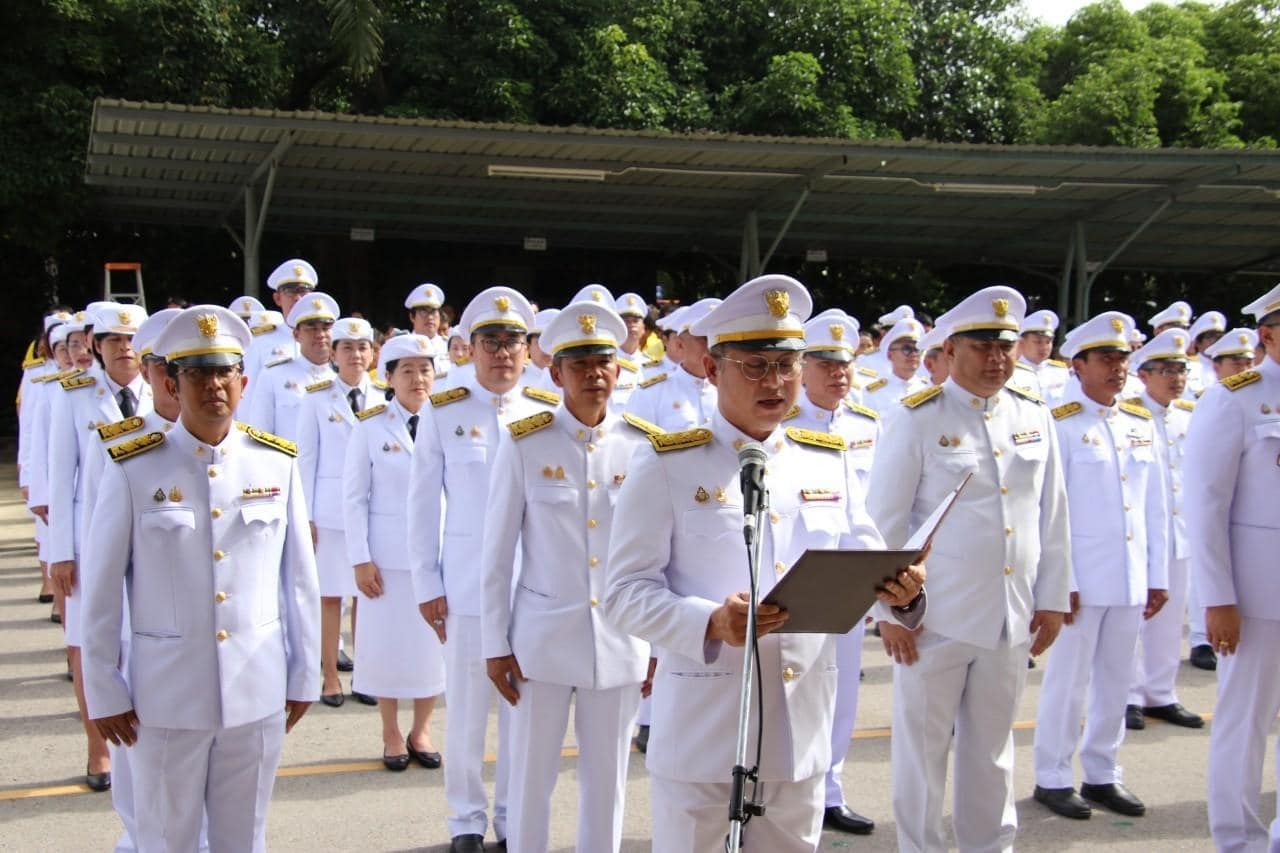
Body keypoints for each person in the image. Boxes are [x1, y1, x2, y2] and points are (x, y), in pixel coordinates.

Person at [603, 274, 925, 851]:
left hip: (800, 728)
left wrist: (903, 596)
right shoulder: (668, 464)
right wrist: (709, 621)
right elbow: (624, 592)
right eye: (754, 366)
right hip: (705, 727)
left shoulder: (824, 460)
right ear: (712, 369)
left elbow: (865, 562)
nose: (775, 381)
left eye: (787, 364)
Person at [80, 305, 320, 852]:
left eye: (223, 372)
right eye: (196, 374)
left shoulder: (274, 462)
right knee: (167, 839)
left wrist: (305, 673)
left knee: (245, 838)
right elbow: (101, 589)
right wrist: (104, 687)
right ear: (170, 384)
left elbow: (300, 581)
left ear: (243, 382)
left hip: (256, 689)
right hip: (166, 696)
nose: (213, 385)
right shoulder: (132, 466)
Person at [867, 285, 1071, 853]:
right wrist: (888, 613)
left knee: (993, 752)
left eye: (1005, 346)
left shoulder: (1033, 413)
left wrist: (1053, 597)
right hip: (933, 619)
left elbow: (1051, 513)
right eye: (982, 346)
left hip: (1010, 615)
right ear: (951, 350)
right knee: (923, 755)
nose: (996, 358)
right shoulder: (918, 418)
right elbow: (884, 525)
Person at [481, 302, 653, 853]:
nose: (593, 374)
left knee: (608, 783)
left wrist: (658, 641)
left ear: (619, 369)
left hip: (622, 638)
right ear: (555, 374)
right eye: (579, 365)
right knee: (531, 780)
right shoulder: (525, 441)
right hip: (542, 641)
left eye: (603, 362)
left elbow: (658, 555)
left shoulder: (645, 446)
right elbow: (496, 553)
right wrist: (495, 644)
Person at [408, 287, 560, 853]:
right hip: (467, 584)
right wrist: (427, 581)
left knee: (525, 714)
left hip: (533, 585)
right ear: (469, 348)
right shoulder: (443, 409)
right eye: (490, 341)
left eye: (512, 341)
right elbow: (422, 504)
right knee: (468, 713)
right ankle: (465, 820)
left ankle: (513, 818)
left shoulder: (545, 411)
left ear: (527, 349)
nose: (502, 352)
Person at [1032, 311, 1168, 821]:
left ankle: (1103, 772)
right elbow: (1049, 511)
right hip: (1081, 581)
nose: (1117, 368)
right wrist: (1059, 581)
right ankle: (1052, 775)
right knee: (1067, 683)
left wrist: (1157, 577)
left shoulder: (1138, 423)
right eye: (1106, 358)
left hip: (1129, 577)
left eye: (1122, 358)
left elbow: (1153, 508)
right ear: (1078, 365)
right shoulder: (1060, 424)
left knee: (1116, 681)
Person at [1185, 282, 1280, 853]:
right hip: (1257, 594)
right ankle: (1238, 840)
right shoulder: (1235, 398)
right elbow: (1206, 504)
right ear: (1268, 335)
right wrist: (1218, 598)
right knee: (1245, 723)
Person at [47, 302, 152, 792]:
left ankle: (142, 745)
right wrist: (60, 553)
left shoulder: (161, 389)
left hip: (147, 538)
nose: (125, 349)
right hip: (88, 537)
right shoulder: (73, 395)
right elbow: (60, 476)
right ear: (96, 345)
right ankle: (98, 748)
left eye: (132, 340)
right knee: (90, 643)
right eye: (114, 340)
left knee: (143, 642)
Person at [791, 311, 880, 836]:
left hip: (851, 578)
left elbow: (874, 509)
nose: (838, 373)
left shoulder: (866, 425)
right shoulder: (782, 424)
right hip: (795, 577)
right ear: (803, 368)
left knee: (842, 692)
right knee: (792, 695)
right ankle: (786, 793)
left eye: (844, 363)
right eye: (825, 363)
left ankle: (829, 792)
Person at [344, 333, 445, 772]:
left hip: (437, 556)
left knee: (430, 647)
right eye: (407, 371)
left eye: (425, 370)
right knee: (385, 647)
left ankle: (421, 729)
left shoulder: (448, 422)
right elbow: (354, 498)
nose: (418, 379)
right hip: (385, 559)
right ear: (388, 378)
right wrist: (360, 558)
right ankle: (390, 730)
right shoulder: (369, 426)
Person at [1123, 329, 1205, 731]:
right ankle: (1129, 694)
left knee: (1171, 619)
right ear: (1144, 375)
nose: (1177, 378)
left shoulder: (1190, 416)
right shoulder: (1127, 416)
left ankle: (1161, 692)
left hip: (1179, 530)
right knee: (1134, 619)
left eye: (1181, 370)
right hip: (1137, 533)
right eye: (1167, 371)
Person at [297, 316, 379, 708]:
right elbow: (306, 460)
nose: (355, 355)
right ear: (334, 354)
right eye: (347, 348)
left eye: (362, 348)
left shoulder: (384, 397)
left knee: (368, 597)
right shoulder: (316, 398)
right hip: (329, 514)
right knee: (330, 597)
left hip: (374, 512)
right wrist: (306, 516)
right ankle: (329, 676)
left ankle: (365, 674)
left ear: (373, 354)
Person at [246, 292, 340, 441]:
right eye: (312, 328)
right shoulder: (272, 376)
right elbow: (259, 436)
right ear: (296, 335)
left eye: (326, 327)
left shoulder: (342, 379)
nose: (320, 334)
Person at [623, 298, 721, 432]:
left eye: (718, 339)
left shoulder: (732, 390)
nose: (712, 346)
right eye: (705, 339)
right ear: (680, 344)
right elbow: (635, 443)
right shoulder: (650, 394)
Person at [242, 259, 316, 390]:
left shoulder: (323, 340)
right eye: (290, 291)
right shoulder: (260, 341)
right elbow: (247, 391)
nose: (297, 298)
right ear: (277, 298)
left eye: (303, 291)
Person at [862, 317, 928, 412]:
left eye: (917, 349)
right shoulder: (874, 393)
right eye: (906, 349)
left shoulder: (928, 388)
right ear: (890, 355)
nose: (913, 354)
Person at [1018, 309, 1070, 401]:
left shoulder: (1060, 371)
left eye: (1048, 342)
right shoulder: (1011, 371)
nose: (1044, 347)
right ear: (1021, 342)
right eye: (1038, 342)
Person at [405, 283, 451, 379]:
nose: (430, 317)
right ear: (412, 317)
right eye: (423, 311)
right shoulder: (402, 346)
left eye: (433, 311)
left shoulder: (450, 346)